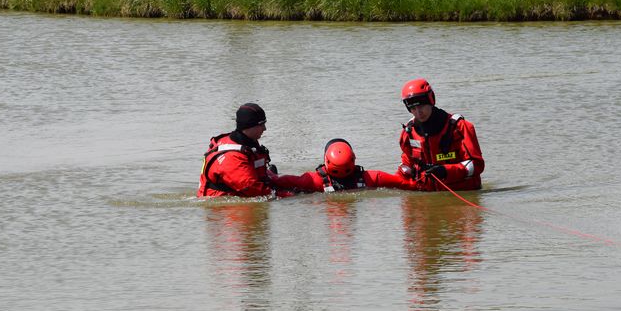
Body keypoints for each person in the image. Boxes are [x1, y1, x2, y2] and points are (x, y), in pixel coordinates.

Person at [397, 78, 485, 191]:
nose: (418, 112)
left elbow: (477, 165)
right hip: (427, 195)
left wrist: (445, 171)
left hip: (462, 193)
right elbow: (407, 165)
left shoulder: (460, 127)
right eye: (413, 108)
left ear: (431, 100)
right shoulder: (409, 133)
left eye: (421, 106)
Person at [272, 138, 418, 193]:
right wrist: (407, 165)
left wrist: (271, 174)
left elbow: (279, 180)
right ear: (353, 159)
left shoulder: (314, 181)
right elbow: (405, 183)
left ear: (326, 161)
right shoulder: (372, 178)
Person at [197, 102, 280, 198]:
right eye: (261, 124)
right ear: (249, 126)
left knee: (294, 182)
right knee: (290, 192)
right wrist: (291, 195)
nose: (265, 129)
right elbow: (255, 190)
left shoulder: (248, 141)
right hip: (224, 207)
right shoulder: (232, 157)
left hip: (248, 186)